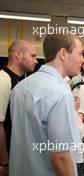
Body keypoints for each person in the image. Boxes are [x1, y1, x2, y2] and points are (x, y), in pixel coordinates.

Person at [9, 34, 84, 176]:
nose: (82, 59)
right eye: (80, 54)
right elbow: (60, 156)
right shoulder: (60, 92)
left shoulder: (20, 87)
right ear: (63, 54)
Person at [0, 40, 37, 176]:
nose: (36, 60)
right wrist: (4, 161)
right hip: (7, 157)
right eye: (32, 56)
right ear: (18, 55)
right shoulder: (3, 79)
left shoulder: (22, 81)